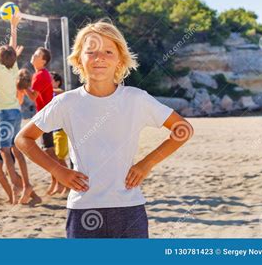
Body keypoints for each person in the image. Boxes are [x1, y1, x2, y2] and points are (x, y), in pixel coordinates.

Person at [15, 19, 194, 238]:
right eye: (91, 52)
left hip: (130, 209)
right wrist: (58, 170)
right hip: (83, 209)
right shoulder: (66, 102)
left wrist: (147, 164)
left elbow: (182, 129)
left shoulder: (136, 99)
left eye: (109, 51)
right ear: (79, 59)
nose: (100, 58)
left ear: (120, 60)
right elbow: (23, 139)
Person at [0, 11, 40, 205]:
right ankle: (26, 185)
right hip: (16, 112)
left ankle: (15, 184)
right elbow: (12, 47)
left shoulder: (0, 69)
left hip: (4, 113)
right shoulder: (14, 68)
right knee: (14, 150)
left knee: (5, 151)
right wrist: (13, 26)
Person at [21, 47, 59, 195]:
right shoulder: (43, 74)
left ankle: (59, 180)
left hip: (45, 117)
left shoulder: (39, 75)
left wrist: (23, 86)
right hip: (47, 116)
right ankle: (56, 181)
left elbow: (33, 97)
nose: (33, 55)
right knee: (48, 150)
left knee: (48, 151)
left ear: (43, 60)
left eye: (37, 54)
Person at [50, 71, 69, 195]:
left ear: (57, 82)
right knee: (57, 159)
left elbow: (63, 93)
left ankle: (67, 184)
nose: (48, 81)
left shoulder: (60, 93)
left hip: (61, 130)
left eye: (50, 79)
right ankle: (60, 184)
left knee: (60, 158)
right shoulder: (51, 94)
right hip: (54, 130)